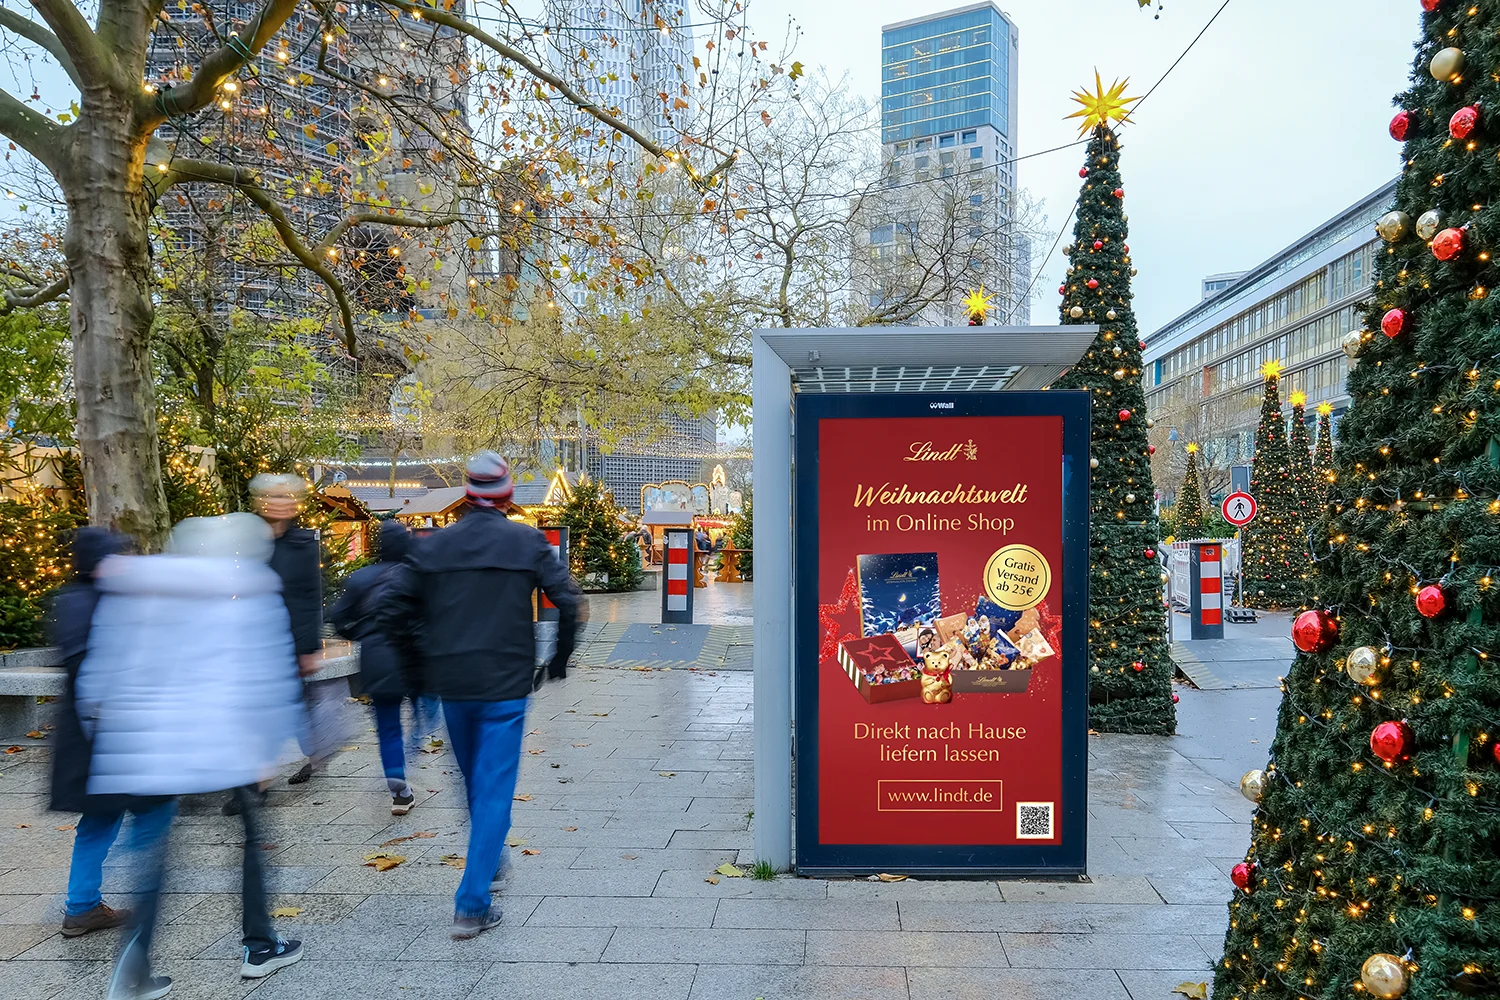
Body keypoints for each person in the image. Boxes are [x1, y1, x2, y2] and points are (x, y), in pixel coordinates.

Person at [78, 514, 306, 992]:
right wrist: (267, 748)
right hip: (226, 743)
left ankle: (132, 968)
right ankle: (260, 945)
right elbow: (268, 678)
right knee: (250, 841)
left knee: (156, 856)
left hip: (151, 748)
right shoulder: (253, 593)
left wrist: (108, 734)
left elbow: (100, 674)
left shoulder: (136, 586)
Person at [381, 452, 580, 940]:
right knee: (493, 790)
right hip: (506, 684)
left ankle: (490, 861)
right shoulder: (527, 541)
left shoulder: (435, 545)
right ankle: (472, 903)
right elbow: (570, 602)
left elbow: (392, 608)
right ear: (508, 497)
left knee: (473, 781)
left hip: (453, 684)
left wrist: (416, 667)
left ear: (467, 496)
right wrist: (557, 660)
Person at [48, 528, 133, 938]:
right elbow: (95, 677)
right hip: (99, 739)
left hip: (90, 738)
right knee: (110, 819)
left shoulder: (78, 598)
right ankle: (82, 906)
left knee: (102, 819)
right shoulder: (92, 602)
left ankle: (82, 903)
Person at [330, 519, 429, 815]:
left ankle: (399, 789)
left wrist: (362, 633)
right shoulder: (416, 576)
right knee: (424, 712)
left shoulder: (361, 578)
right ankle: (414, 749)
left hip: (376, 658)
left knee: (388, 727)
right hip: (414, 656)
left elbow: (338, 618)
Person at [249, 473, 336, 787]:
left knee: (289, 706)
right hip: (254, 639)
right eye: (273, 496)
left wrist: (308, 648)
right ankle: (259, 779)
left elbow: (311, 596)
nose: (279, 503)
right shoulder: (248, 541)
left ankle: (301, 759)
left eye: (285, 497)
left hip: (288, 640)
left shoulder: (303, 543)